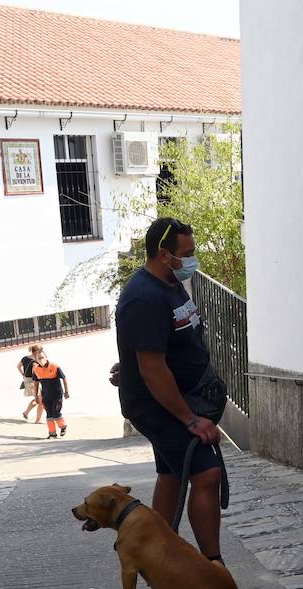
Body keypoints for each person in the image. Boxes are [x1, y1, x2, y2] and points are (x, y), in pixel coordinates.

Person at [114, 216, 227, 563]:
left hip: (178, 396)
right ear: (164, 254)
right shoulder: (143, 297)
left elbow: (157, 347)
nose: (193, 259)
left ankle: (158, 561)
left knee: (172, 473)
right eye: (187, 253)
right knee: (206, 473)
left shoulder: (169, 282)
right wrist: (191, 419)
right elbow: (152, 368)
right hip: (159, 405)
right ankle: (213, 566)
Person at [30, 349, 69, 439]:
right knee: (49, 414)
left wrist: (66, 392)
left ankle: (63, 427)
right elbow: (36, 383)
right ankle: (52, 433)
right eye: (39, 358)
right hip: (46, 395)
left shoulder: (55, 366)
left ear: (46, 357)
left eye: (42, 357)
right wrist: (36, 396)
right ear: (36, 360)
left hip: (57, 394)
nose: (41, 359)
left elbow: (64, 378)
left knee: (55, 412)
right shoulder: (36, 370)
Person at [18, 345, 44, 421]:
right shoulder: (35, 361)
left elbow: (18, 366)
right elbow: (34, 372)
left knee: (38, 399)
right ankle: (37, 419)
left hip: (27, 380)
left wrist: (23, 374)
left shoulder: (25, 358)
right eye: (40, 351)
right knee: (40, 400)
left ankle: (26, 413)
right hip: (33, 381)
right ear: (36, 352)